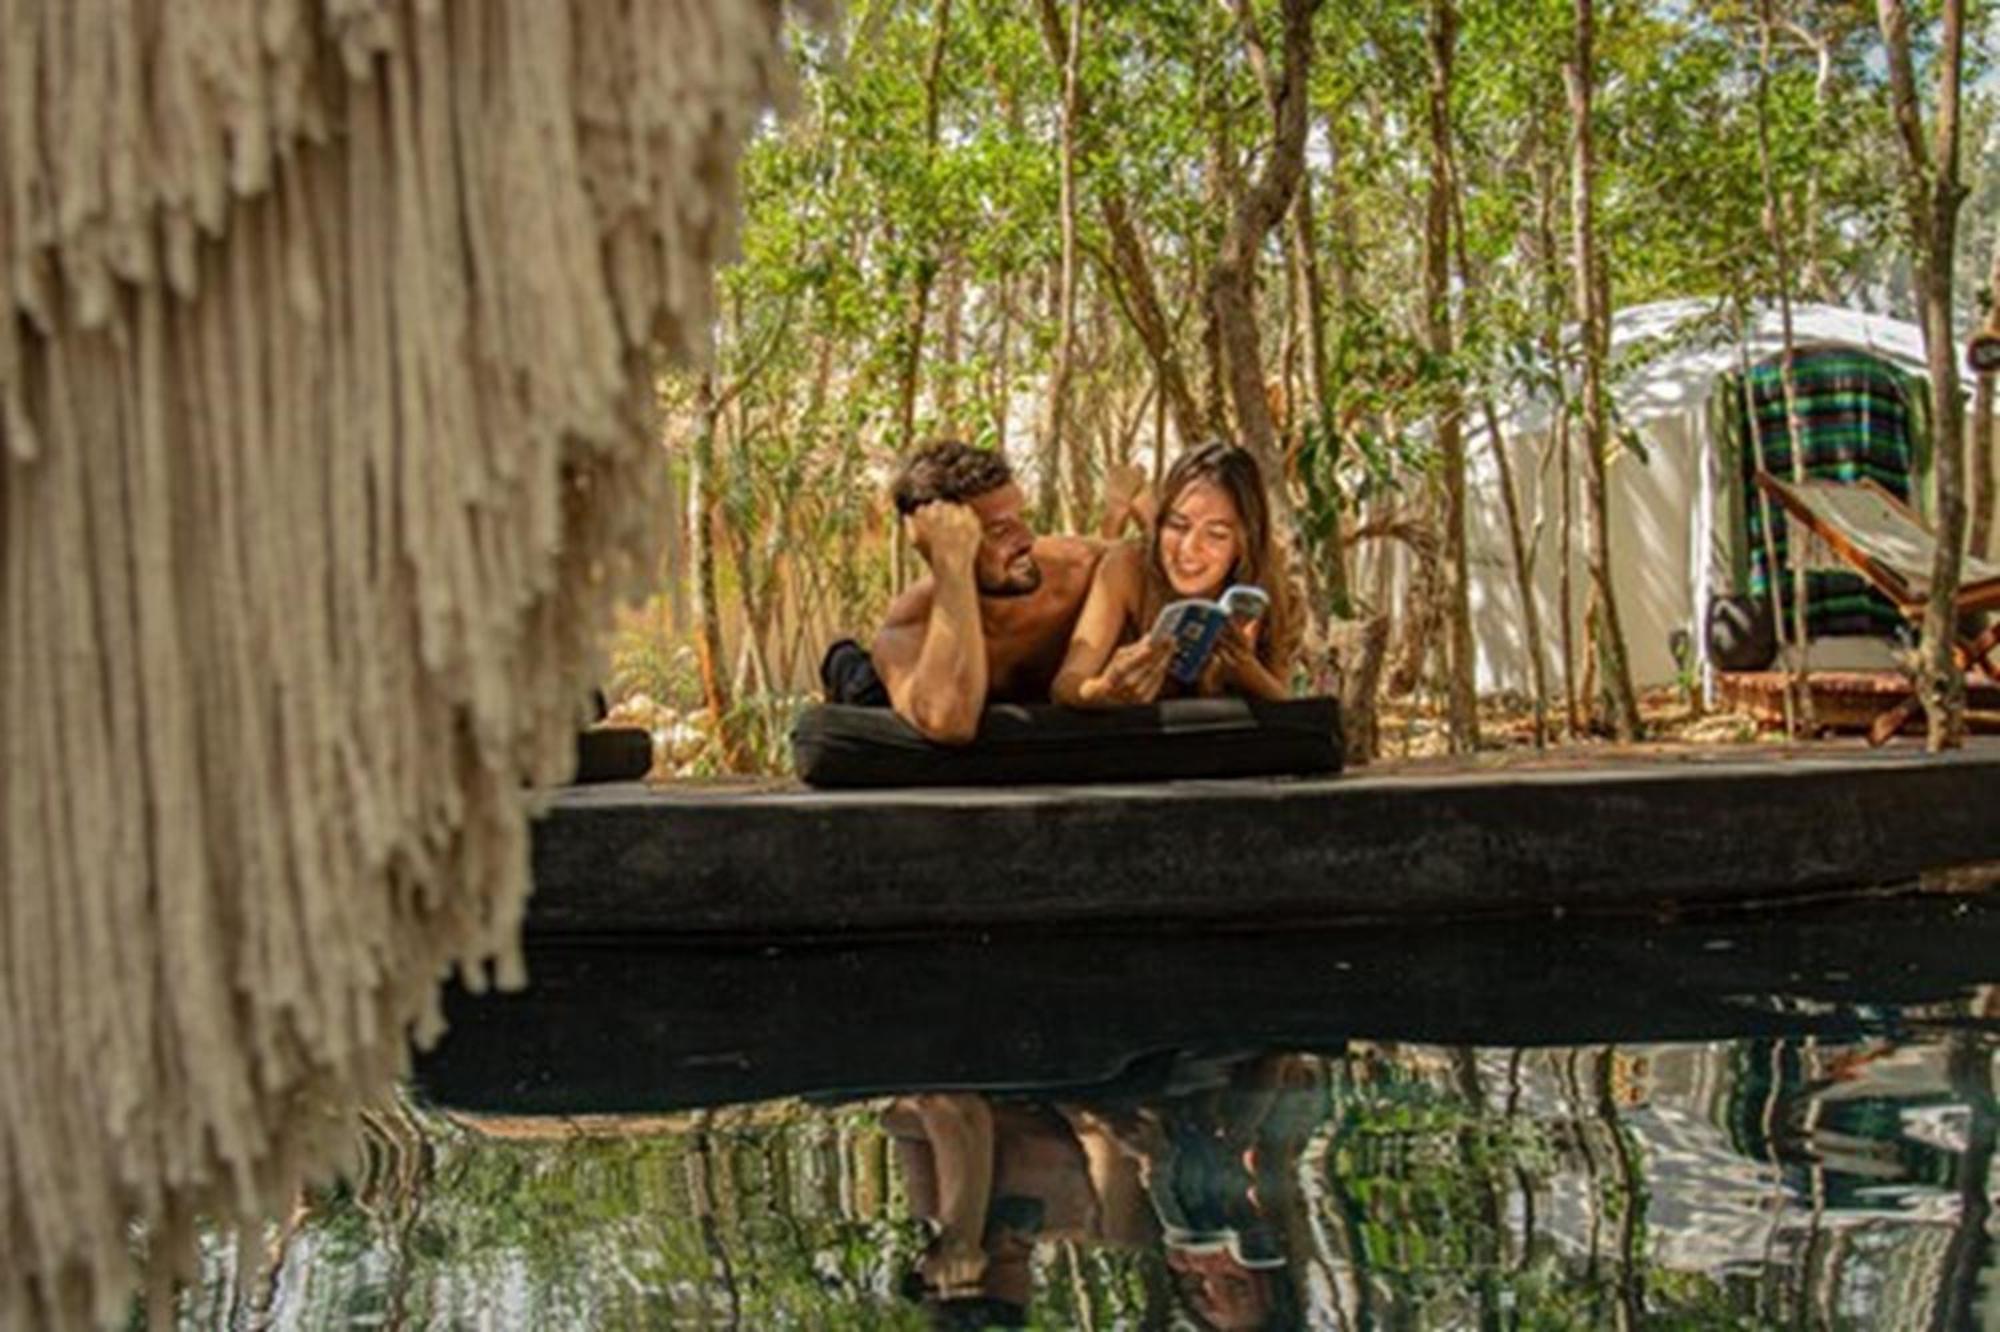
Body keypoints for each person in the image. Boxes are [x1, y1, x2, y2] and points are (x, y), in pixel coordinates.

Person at [869, 441, 1112, 743]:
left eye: (1021, 519)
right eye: (999, 531)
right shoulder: (907, 632)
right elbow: (951, 723)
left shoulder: (1082, 567)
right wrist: (953, 567)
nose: (1027, 540)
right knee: (854, 677)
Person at [1054, 442, 1299, 709]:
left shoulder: (1271, 591)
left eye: (1216, 534)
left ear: (1243, 542)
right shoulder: (1127, 567)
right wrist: (1103, 691)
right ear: (1160, 523)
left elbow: (1288, 713)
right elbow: (1067, 683)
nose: (1188, 549)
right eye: (1177, 525)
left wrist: (1247, 672)